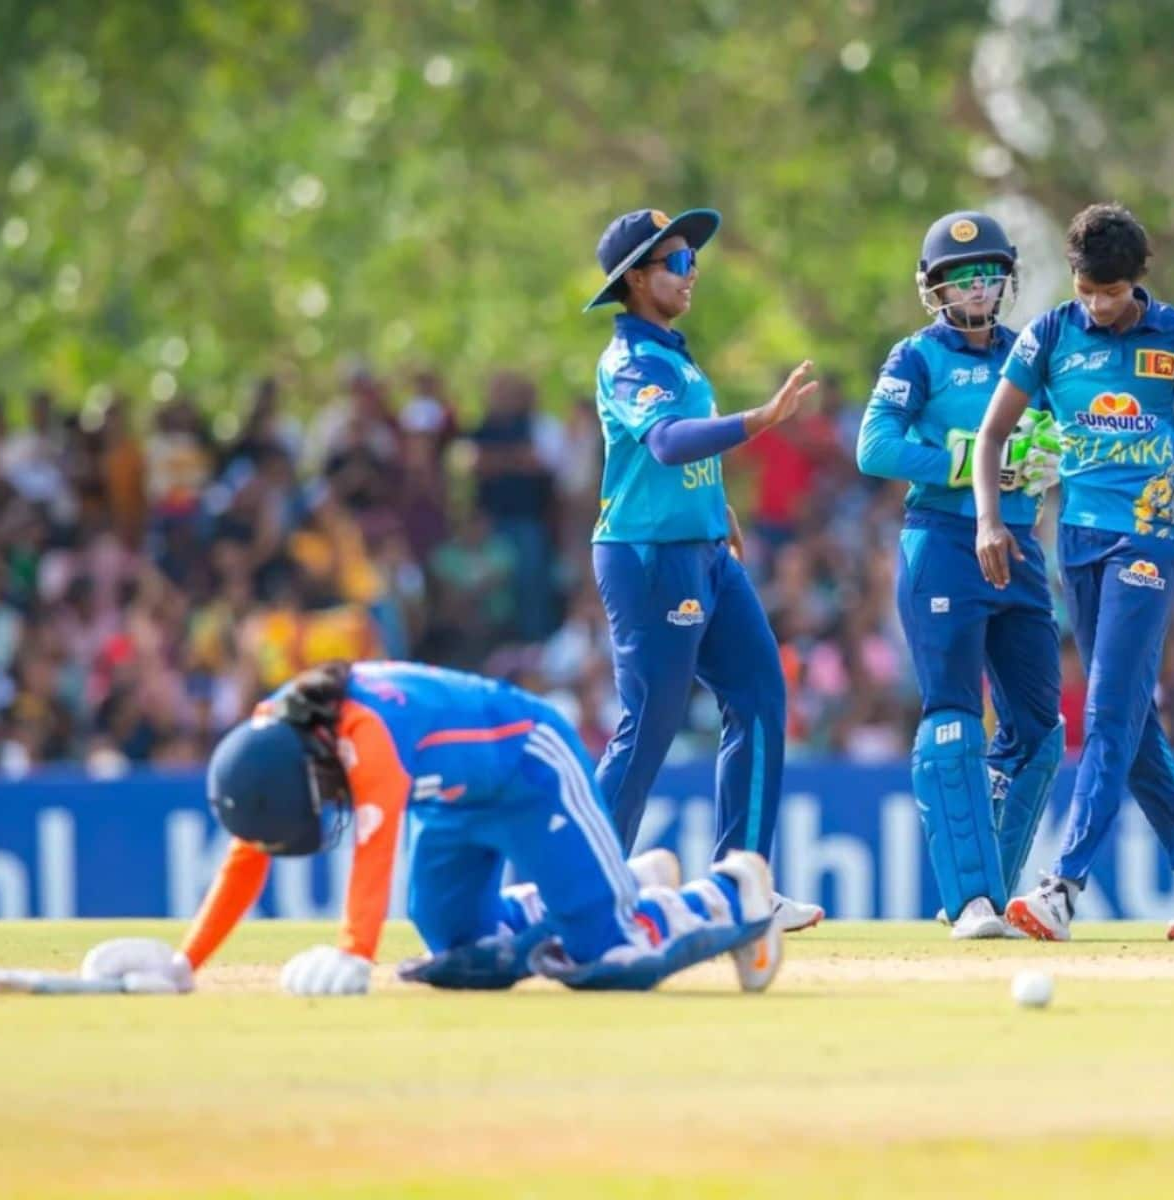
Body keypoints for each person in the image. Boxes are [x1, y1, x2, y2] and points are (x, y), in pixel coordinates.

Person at [80, 661, 784, 995]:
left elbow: (372, 853)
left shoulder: (363, 738)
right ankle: (611, 886)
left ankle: (730, 896)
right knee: (460, 947)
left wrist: (354, 954)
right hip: (454, 802)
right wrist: (185, 962)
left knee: (611, 959)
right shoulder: (278, 739)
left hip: (530, 766)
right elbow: (247, 856)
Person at [973, 203, 1174, 942]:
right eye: (1088, 289)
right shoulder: (1051, 334)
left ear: (1137, 280)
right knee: (1128, 717)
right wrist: (992, 520)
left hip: (1152, 533)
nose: (1098, 304)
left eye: (1111, 292)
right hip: (1078, 539)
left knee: (1108, 712)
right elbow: (994, 434)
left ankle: (1063, 885)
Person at [582, 206, 823, 930]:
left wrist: (725, 518)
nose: (692, 276)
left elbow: (690, 463)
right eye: (678, 264)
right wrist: (760, 420)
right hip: (647, 559)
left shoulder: (673, 354)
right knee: (650, 726)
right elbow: (665, 443)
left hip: (707, 552)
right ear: (634, 279)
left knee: (759, 696)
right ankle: (579, 888)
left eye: (693, 262)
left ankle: (743, 885)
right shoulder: (628, 360)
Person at [855, 211, 1065, 939]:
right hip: (942, 541)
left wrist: (1046, 461)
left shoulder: (1029, 353)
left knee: (1039, 731)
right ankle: (970, 898)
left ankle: (994, 893)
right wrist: (970, 458)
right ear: (932, 286)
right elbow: (874, 446)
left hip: (1018, 546)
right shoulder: (917, 357)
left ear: (1006, 281)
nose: (975, 288)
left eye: (986, 275)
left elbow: (1057, 437)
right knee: (952, 717)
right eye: (958, 276)